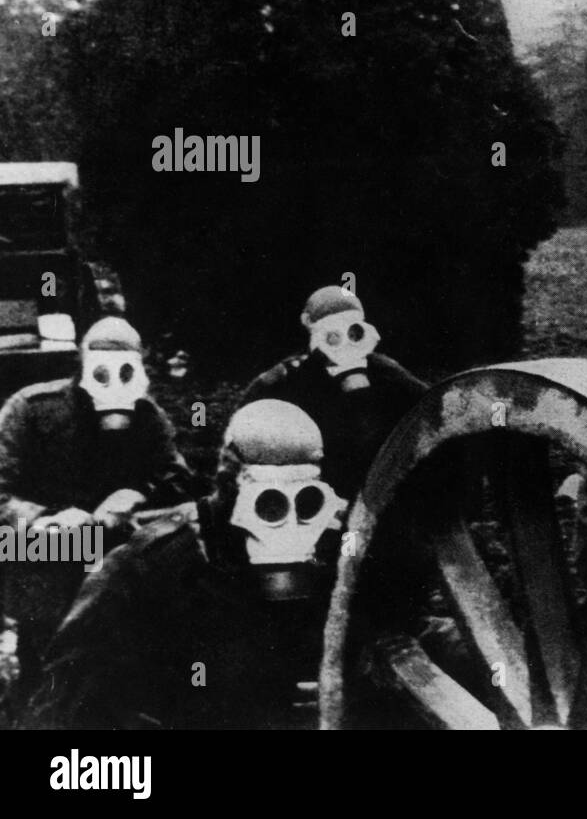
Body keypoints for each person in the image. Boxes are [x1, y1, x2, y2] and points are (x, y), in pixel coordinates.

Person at [27, 399, 351, 729]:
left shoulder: (336, 555)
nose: (288, 524)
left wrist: (345, 692)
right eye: (268, 503)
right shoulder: (149, 564)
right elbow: (67, 696)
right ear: (230, 483)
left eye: (307, 503)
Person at [0, 317, 194, 711]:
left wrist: (137, 493)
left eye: (126, 369)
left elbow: (180, 480)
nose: (114, 383)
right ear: (82, 364)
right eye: (101, 370)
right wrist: (40, 519)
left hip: (112, 553)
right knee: (48, 669)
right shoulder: (32, 409)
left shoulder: (148, 417)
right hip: (43, 552)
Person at [240, 286, 428, 499]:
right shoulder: (288, 376)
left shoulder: (384, 371)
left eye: (353, 333)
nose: (344, 343)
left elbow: (430, 407)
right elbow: (246, 419)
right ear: (310, 326)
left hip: (379, 487)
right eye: (332, 335)